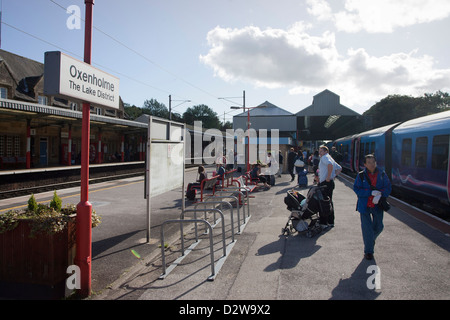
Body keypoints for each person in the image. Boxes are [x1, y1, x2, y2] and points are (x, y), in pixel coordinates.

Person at [353, 154, 392, 260]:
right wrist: (370, 192)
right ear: (365, 164)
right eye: (369, 162)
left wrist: (380, 193)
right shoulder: (361, 176)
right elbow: (356, 189)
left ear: (376, 162)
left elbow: (388, 187)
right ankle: (368, 251)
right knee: (367, 229)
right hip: (364, 206)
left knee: (379, 227)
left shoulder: (382, 174)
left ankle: (370, 240)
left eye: (373, 162)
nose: (371, 164)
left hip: (378, 205)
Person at [318, 145, 342, 227]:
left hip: (325, 183)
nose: (319, 152)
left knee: (323, 202)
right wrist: (333, 176)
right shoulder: (330, 158)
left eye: (321, 151)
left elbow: (329, 165)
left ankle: (324, 222)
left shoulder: (325, 157)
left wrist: (328, 177)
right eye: (319, 151)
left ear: (325, 151)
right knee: (329, 202)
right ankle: (330, 221)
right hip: (329, 183)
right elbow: (339, 168)